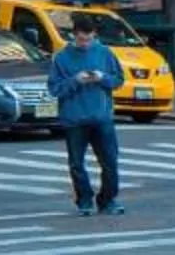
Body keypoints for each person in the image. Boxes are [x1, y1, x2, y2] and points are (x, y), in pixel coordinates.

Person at [48, 20, 124, 217]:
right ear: (74, 35)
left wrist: (102, 77)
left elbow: (119, 80)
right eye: (82, 40)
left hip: (102, 117)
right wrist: (75, 80)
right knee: (76, 163)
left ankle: (107, 200)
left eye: (89, 40)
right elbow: (55, 89)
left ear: (94, 36)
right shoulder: (62, 58)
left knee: (110, 161)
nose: (86, 44)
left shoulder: (104, 53)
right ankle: (84, 199)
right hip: (75, 119)